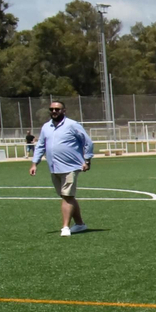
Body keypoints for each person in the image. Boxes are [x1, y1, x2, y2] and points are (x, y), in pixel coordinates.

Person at [29, 101, 94, 236]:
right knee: (67, 196)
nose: (54, 111)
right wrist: (35, 163)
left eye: (57, 109)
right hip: (54, 167)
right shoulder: (46, 127)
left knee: (67, 196)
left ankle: (65, 227)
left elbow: (87, 142)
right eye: (51, 109)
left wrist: (87, 160)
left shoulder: (72, 125)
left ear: (64, 110)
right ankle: (80, 224)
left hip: (71, 166)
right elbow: (41, 145)